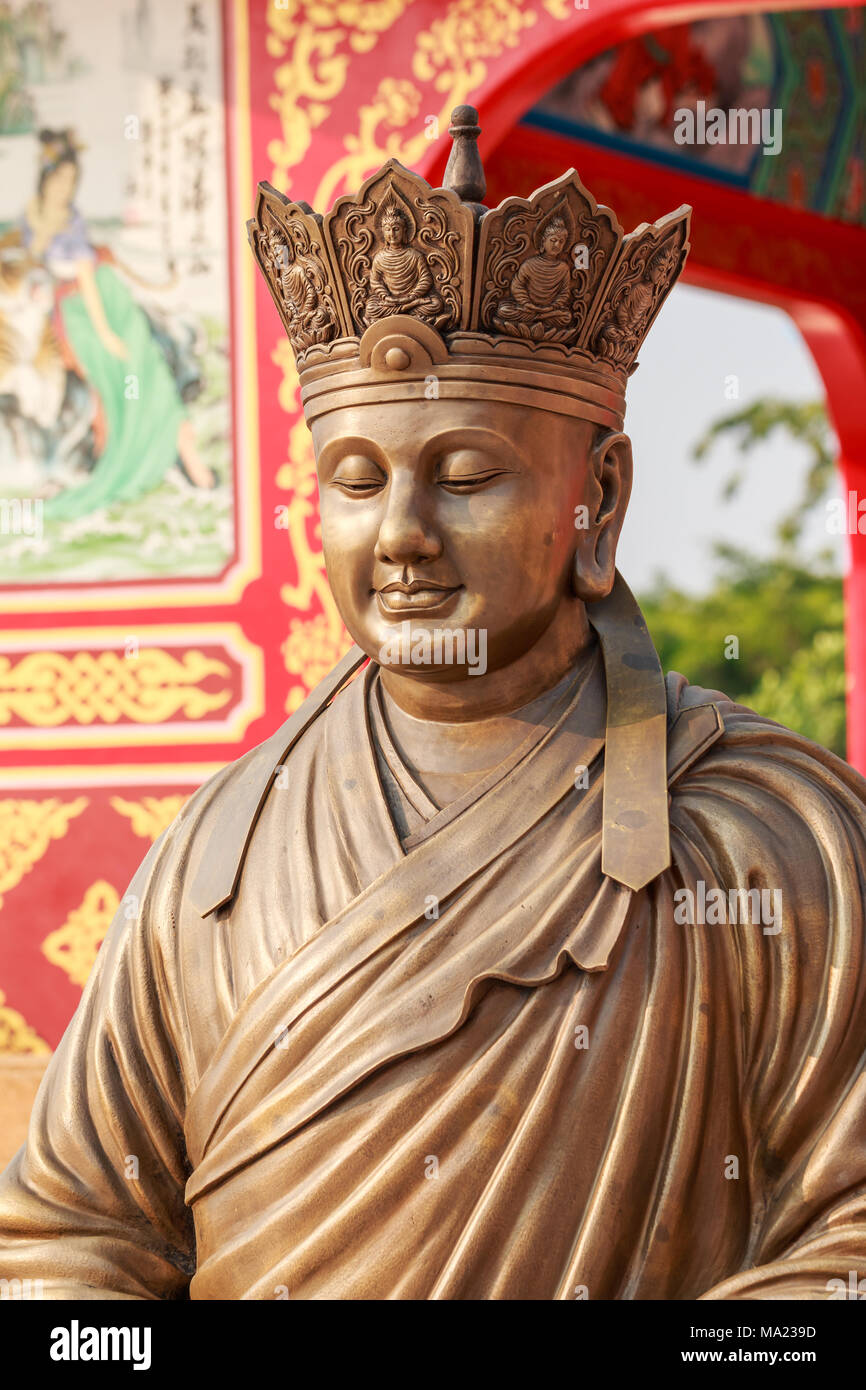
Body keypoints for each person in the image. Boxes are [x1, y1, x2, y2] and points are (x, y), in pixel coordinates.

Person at [1, 112, 865, 1301]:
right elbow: (65, 1235)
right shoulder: (217, 849)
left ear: (596, 497)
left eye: (465, 476)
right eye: (357, 481)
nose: (401, 535)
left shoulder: (764, 835)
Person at [18, 128, 213, 516]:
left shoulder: (71, 222)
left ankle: (173, 450)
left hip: (104, 305)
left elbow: (89, 276)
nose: (66, 188)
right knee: (119, 382)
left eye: (72, 181)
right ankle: (143, 451)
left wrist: (106, 331)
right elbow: (37, 260)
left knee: (142, 371)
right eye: (60, 179)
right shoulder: (35, 216)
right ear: (46, 179)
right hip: (75, 308)